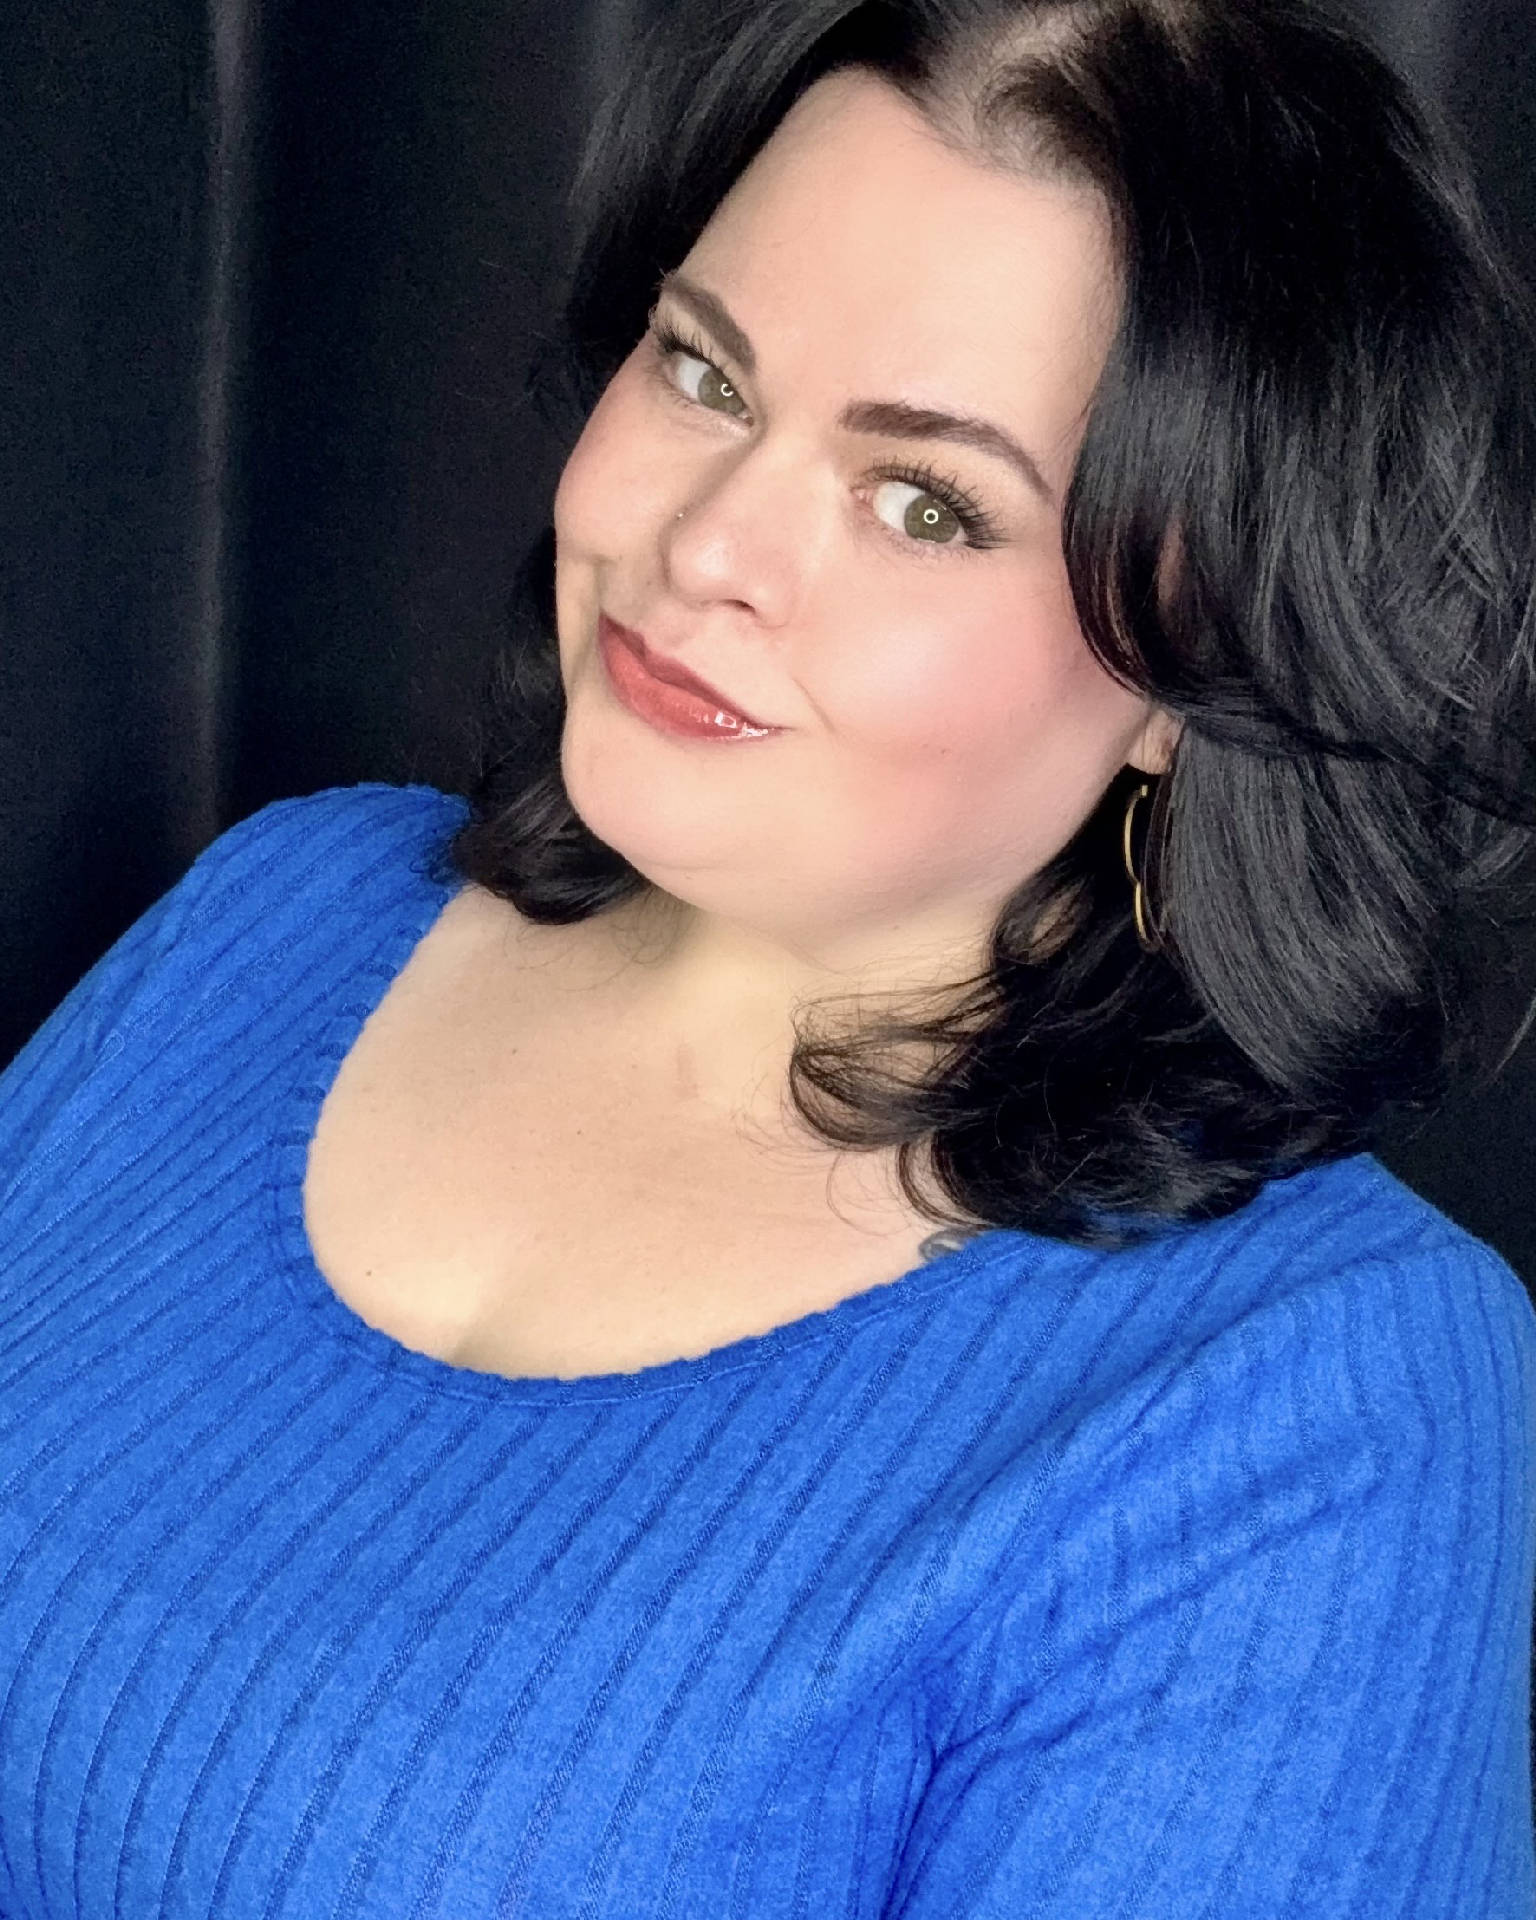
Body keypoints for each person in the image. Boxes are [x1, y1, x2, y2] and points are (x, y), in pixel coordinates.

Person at [2, 0, 1534, 1913]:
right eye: (705, 371)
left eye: (926, 504)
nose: (707, 544)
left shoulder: (1314, 1398)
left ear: (1193, 666)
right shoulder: (277, 912)